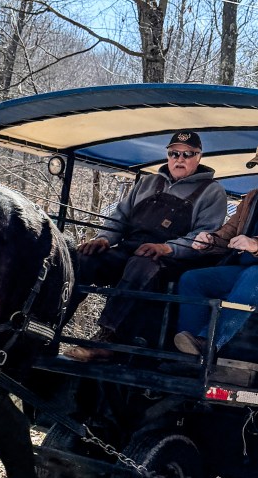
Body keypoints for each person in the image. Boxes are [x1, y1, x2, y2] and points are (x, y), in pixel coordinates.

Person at [64, 131, 227, 362]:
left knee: (141, 265)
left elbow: (204, 237)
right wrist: (104, 239)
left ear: (198, 156)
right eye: (174, 153)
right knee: (84, 259)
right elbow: (119, 217)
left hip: (171, 261)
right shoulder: (147, 182)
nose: (179, 159)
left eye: (187, 154)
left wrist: (167, 248)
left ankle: (109, 338)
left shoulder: (212, 191)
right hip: (131, 249)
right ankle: (51, 323)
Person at [173, 185, 258, 356]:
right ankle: (190, 351)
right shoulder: (253, 197)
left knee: (254, 274)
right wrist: (211, 240)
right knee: (192, 279)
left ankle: (209, 343)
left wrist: (255, 245)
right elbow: (230, 231)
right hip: (242, 269)